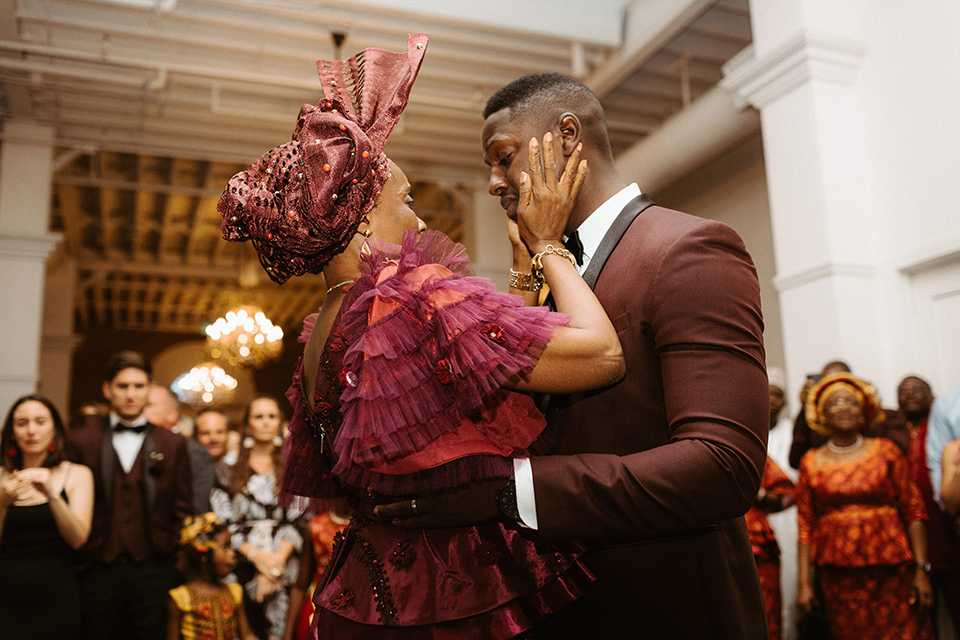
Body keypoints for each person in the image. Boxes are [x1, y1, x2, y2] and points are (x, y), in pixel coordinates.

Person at [219, 34, 624, 638]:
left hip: (363, 598)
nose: (418, 220)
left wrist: (519, 280)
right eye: (404, 200)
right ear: (359, 219)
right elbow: (601, 355)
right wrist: (548, 247)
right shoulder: (412, 294)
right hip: (452, 597)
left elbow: (476, 382)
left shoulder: (326, 329)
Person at [380, 71, 769, 637]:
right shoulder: (551, 267)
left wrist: (507, 493)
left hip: (666, 601)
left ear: (566, 135)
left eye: (502, 157)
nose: (493, 182)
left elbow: (722, 467)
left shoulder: (686, 249)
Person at [796, 372, 934, 640]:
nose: (844, 407)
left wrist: (921, 569)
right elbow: (805, 525)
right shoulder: (810, 461)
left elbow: (914, 511)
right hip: (839, 574)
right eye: (834, 402)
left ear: (864, 411)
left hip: (894, 569)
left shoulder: (886, 450)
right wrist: (803, 584)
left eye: (852, 402)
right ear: (821, 414)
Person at [66, 350, 193, 640]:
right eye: (123, 386)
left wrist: (175, 564)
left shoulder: (172, 444)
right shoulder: (80, 441)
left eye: (138, 386)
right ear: (107, 389)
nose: (130, 394)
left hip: (154, 568)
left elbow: (183, 506)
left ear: (149, 390)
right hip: (96, 567)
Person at [0, 394, 95, 639]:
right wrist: (1, 503)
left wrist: (52, 495)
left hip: (56, 593)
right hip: (6, 591)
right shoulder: (0, 477)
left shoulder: (77, 474)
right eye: (22, 423)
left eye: (40, 421)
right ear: (11, 432)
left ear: (55, 430)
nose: (31, 430)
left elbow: (77, 539)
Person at [211, 395, 304, 640]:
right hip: (243, 564)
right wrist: (260, 559)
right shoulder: (228, 468)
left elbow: (301, 518)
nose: (265, 422)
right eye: (258, 416)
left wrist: (274, 564)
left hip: (285, 563)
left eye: (271, 416)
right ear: (248, 424)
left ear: (280, 423)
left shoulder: (293, 466)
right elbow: (226, 521)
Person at [167, 512, 257, 640]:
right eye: (225, 547)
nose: (232, 553)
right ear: (204, 554)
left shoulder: (234, 592)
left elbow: (246, 635)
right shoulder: (180, 597)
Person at [745, 457, 796, 640]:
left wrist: (757, 494)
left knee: (764, 610)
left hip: (756, 541)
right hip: (706, 539)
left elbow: (788, 495)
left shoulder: (748, 452)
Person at [281, 509, 351, 640]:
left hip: (353, 610)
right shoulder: (315, 527)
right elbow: (301, 584)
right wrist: (288, 633)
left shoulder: (367, 529)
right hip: (316, 609)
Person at [766, 368, 799, 640]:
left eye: (777, 394)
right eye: (766, 393)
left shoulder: (792, 434)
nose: (771, 400)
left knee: (787, 596)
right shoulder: (742, 430)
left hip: (787, 523)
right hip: (751, 524)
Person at [145, 384, 215, 514]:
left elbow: (196, 507)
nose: (141, 411)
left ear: (172, 414)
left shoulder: (192, 452)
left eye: (148, 405)